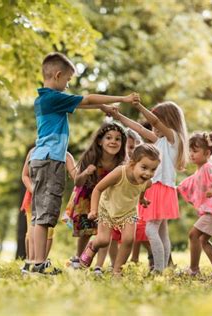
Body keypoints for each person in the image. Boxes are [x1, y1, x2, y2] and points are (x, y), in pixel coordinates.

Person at [29, 52, 139, 274]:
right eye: (68, 80)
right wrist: (123, 99)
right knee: (45, 216)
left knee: (40, 215)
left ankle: (35, 262)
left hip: (41, 159)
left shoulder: (44, 99)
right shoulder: (52, 97)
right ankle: (38, 264)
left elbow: (84, 104)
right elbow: (87, 99)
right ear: (58, 75)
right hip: (51, 161)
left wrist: (101, 108)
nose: (68, 85)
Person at [111, 101, 188, 273]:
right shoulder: (160, 140)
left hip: (161, 188)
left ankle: (158, 270)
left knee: (150, 229)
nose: (154, 127)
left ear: (168, 121)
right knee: (162, 232)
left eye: (159, 121)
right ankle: (164, 268)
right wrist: (118, 117)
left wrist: (138, 106)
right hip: (158, 189)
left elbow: (153, 122)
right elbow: (139, 128)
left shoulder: (173, 138)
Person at [79, 144, 161, 275]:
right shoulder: (120, 172)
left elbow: (142, 189)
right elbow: (98, 189)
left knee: (129, 239)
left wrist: (142, 199)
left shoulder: (147, 181)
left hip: (129, 212)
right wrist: (93, 210)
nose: (148, 173)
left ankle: (117, 270)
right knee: (104, 240)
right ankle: (92, 246)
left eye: (153, 169)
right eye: (144, 167)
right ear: (132, 164)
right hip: (107, 208)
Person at [63, 121, 127, 273]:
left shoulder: (121, 162)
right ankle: (78, 258)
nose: (113, 141)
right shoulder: (91, 157)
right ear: (100, 141)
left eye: (118, 139)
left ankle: (98, 265)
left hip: (107, 200)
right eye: (109, 138)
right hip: (86, 197)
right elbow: (77, 182)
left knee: (104, 233)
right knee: (85, 231)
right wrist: (85, 172)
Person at [178, 132, 212, 278]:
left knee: (193, 235)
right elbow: (187, 185)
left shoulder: (208, 167)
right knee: (202, 240)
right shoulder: (199, 171)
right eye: (190, 151)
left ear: (207, 153)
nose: (191, 154)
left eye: (195, 151)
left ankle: (194, 269)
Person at [20, 148, 77, 273]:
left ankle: (41, 263)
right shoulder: (34, 151)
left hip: (51, 200)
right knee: (32, 229)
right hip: (32, 200)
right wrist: (35, 191)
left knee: (49, 231)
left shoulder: (65, 155)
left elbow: (76, 175)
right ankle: (31, 262)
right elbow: (25, 175)